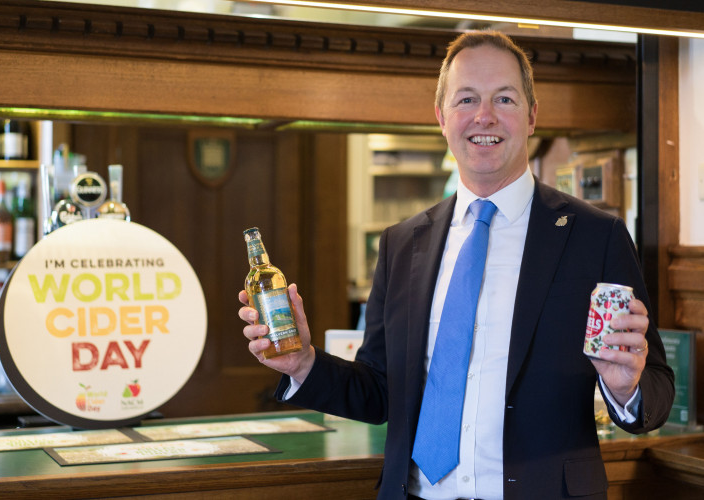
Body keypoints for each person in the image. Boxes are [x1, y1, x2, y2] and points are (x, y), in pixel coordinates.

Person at [238, 31, 674, 500]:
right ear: (441, 118)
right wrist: (303, 363)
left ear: (531, 117)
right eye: (466, 99)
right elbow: (381, 390)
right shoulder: (402, 243)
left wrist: (625, 388)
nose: (483, 116)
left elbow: (658, 389)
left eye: (503, 98)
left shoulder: (595, 235)